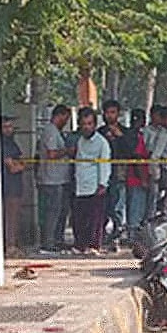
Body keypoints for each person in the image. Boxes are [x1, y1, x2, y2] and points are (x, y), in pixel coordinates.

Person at [70, 107, 111, 255]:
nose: (86, 127)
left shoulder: (102, 143)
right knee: (80, 218)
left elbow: (104, 164)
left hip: (95, 186)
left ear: (94, 125)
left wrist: (103, 183)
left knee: (95, 219)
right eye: (84, 124)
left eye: (89, 123)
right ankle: (80, 245)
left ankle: (94, 246)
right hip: (80, 185)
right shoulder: (80, 141)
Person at [36, 105, 72, 254]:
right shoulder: (50, 131)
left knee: (60, 211)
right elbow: (51, 154)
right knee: (52, 211)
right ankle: (48, 242)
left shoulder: (57, 131)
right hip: (51, 180)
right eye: (66, 118)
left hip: (59, 179)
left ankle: (57, 239)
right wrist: (67, 151)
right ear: (60, 115)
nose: (66, 121)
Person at [100, 99, 132, 249]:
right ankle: (102, 234)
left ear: (118, 114)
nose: (110, 116)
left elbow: (130, 151)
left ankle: (117, 235)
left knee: (118, 206)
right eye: (107, 113)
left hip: (119, 173)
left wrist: (120, 136)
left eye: (113, 112)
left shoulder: (125, 132)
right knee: (103, 205)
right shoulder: (99, 132)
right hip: (101, 174)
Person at [144, 106, 167, 221]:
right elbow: (156, 155)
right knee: (166, 196)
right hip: (166, 168)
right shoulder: (163, 135)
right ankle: (162, 217)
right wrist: (154, 173)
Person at [0, 115, 27, 258]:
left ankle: (13, 244)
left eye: (11, 126)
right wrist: (22, 165)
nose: (9, 130)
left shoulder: (12, 143)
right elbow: (13, 167)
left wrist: (21, 164)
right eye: (5, 127)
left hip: (15, 187)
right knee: (10, 218)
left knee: (15, 217)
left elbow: (21, 162)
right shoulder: (3, 144)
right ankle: (9, 246)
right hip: (8, 187)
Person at [124, 108, 153, 234]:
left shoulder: (129, 134)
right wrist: (143, 179)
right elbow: (138, 157)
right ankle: (133, 237)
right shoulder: (137, 136)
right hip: (137, 178)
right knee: (136, 210)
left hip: (134, 177)